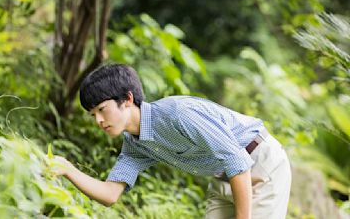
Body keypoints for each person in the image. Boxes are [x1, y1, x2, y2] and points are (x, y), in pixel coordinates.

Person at [53, 63, 292, 219]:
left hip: (260, 163)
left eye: (102, 109)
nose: (98, 120)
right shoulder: (135, 145)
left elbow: (237, 161)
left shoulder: (178, 113)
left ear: (127, 99)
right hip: (225, 177)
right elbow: (110, 194)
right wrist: (66, 169)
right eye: (93, 114)